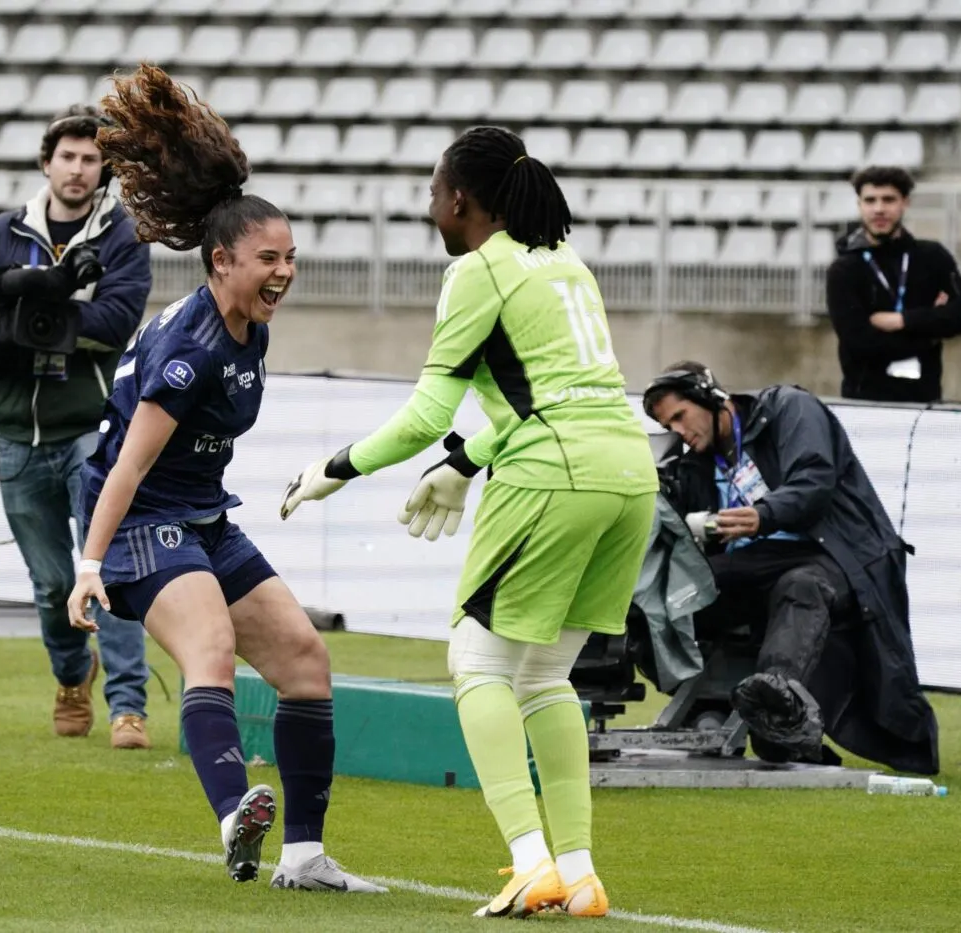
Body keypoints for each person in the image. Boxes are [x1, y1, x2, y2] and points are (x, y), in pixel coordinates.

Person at [281, 126, 658, 919]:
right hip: (629, 473)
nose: (428, 209)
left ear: (460, 200)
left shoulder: (476, 270)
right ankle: (580, 872)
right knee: (545, 675)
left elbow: (424, 415)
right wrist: (465, 461)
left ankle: (530, 860)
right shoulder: (567, 264)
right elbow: (559, 391)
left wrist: (334, 468)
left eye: (431, 193)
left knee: (475, 660)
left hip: (554, 473)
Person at [68, 63, 385, 894]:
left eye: (290, 256)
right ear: (219, 261)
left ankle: (306, 857)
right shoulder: (194, 349)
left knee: (306, 663)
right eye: (266, 259)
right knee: (210, 651)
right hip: (139, 521)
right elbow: (128, 464)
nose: (283, 271)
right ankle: (233, 814)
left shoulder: (248, 324)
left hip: (203, 517)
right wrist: (90, 567)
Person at [0, 105, 152, 750]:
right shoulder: (3, 232)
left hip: (91, 431)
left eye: (90, 159)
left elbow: (117, 319)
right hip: (16, 432)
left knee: (106, 569)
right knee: (51, 584)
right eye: (68, 156)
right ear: (47, 162)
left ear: (105, 171)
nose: (77, 169)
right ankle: (73, 676)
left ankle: (129, 706)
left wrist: (25, 309)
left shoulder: (122, 236)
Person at [642, 361, 939, 775]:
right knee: (667, 587)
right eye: (668, 426)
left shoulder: (790, 409)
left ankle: (778, 702)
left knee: (801, 585)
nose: (679, 432)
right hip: (760, 564)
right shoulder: (696, 461)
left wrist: (762, 516)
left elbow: (815, 480)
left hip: (837, 554)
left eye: (680, 416)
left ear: (711, 397)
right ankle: (715, 702)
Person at [827, 166, 961, 404]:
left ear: (904, 202)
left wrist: (902, 320)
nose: (879, 209)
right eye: (870, 200)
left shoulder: (932, 256)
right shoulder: (844, 269)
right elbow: (859, 343)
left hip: (923, 401)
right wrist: (930, 332)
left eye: (888, 199)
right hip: (863, 402)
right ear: (859, 205)